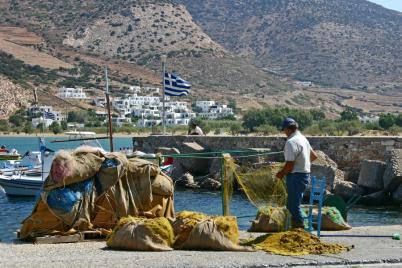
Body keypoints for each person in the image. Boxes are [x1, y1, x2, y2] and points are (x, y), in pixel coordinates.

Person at [276, 117, 318, 228]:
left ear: (287, 129)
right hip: (305, 175)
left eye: (284, 130)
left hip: (295, 176)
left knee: (293, 205)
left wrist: (281, 174)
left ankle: (300, 228)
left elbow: (289, 165)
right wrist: (303, 164)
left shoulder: (291, 142)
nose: (284, 133)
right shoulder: (303, 138)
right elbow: (313, 156)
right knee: (293, 204)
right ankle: (297, 228)